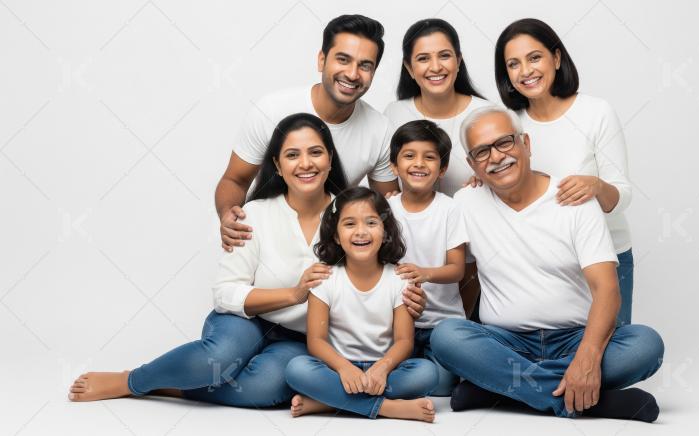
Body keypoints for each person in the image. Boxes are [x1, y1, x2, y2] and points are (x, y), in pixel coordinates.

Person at [67, 113, 346, 406]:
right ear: (277, 165)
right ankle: (133, 380)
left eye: (315, 152)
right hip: (246, 320)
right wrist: (293, 294)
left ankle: (173, 386)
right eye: (292, 155)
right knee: (217, 357)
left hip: (302, 338)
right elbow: (225, 293)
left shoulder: (351, 216)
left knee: (265, 387)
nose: (305, 164)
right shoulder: (255, 214)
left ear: (330, 158)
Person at [431, 106, 664, 422]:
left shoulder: (573, 199)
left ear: (525, 144)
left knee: (646, 345)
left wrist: (587, 358)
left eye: (504, 143)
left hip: (575, 338)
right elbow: (460, 273)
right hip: (506, 342)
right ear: (472, 164)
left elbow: (607, 288)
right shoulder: (465, 203)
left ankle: (501, 390)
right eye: (482, 152)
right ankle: (588, 402)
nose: (496, 157)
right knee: (446, 337)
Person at [217, 14, 400, 253]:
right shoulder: (271, 110)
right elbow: (234, 180)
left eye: (365, 65)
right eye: (343, 59)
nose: (353, 74)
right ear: (321, 60)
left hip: (330, 251)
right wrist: (228, 216)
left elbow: (383, 208)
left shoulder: (380, 129)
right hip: (264, 246)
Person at [495, 18, 636, 324]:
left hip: (606, 258)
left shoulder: (596, 112)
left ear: (556, 58)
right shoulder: (510, 122)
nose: (526, 71)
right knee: (562, 358)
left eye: (535, 58)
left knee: (611, 357)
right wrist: (485, 179)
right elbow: (507, 186)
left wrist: (596, 186)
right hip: (542, 263)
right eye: (514, 64)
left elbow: (621, 197)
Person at [285, 187, 438, 422]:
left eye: (371, 223)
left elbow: (405, 342)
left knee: (426, 374)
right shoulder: (324, 278)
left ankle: (328, 402)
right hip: (338, 370)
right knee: (297, 369)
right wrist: (345, 368)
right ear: (336, 235)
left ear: (385, 231)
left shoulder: (400, 279)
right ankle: (388, 407)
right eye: (349, 224)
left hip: (385, 370)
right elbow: (316, 341)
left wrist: (383, 367)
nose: (361, 232)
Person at [386, 120, 469, 396]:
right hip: (395, 324)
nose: (419, 164)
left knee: (441, 387)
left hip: (441, 324)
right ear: (394, 166)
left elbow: (457, 269)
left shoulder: (450, 209)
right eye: (409, 156)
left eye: (429, 157)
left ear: (442, 169)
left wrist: (425, 273)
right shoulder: (384, 210)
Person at [383, 18, 492, 197]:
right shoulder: (394, 113)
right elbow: (388, 190)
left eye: (444, 56)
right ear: (409, 68)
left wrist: (490, 182)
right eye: (423, 58)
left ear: (458, 61)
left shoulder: (487, 114)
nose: (435, 67)